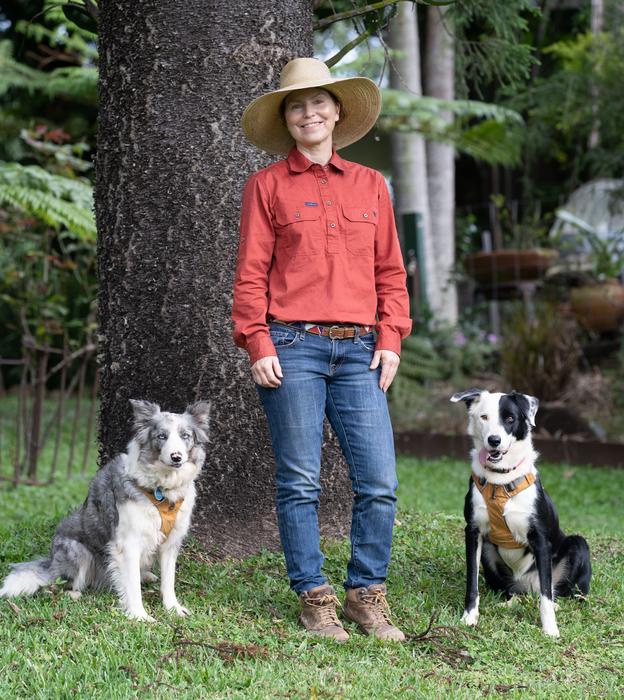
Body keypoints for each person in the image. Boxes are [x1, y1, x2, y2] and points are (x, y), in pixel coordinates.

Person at [232, 57, 412, 642]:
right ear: (286, 119)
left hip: (360, 350)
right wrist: (255, 339)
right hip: (292, 347)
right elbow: (251, 274)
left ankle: (366, 596)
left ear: (338, 112)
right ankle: (314, 600)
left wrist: (391, 338)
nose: (309, 113)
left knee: (379, 482)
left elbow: (391, 271)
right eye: (296, 105)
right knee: (300, 482)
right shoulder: (265, 186)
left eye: (319, 103)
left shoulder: (370, 185)